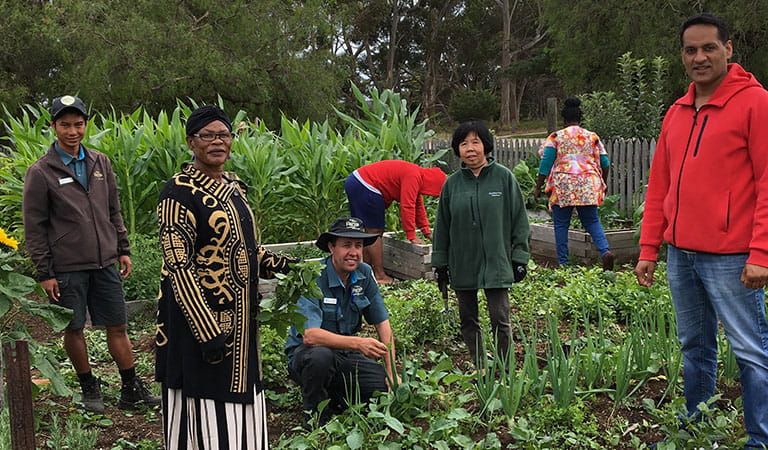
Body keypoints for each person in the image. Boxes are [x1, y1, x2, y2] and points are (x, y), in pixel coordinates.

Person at [634, 13, 768, 448]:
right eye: (690, 50)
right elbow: (661, 185)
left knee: (750, 351)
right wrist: (649, 247)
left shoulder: (756, 103)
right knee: (695, 346)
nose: (699, 57)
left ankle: (760, 438)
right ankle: (698, 429)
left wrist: (762, 253)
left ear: (728, 49)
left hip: (732, 256)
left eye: (709, 47)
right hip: (682, 254)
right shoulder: (676, 111)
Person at [155, 105, 295, 449]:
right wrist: (207, 331)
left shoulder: (235, 189)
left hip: (241, 324)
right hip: (199, 325)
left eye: (224, 135)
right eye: (208, 135)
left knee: (241, 399)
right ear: (191, 142)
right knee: (204, 406)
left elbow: (245, 250)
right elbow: (179, 266)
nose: (218, 142)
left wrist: (281, 264)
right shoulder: (178, 193)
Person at [22, 95, 159, 414]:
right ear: (54, 126)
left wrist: (122, 249)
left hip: (104, 262)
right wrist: (45, 272)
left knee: (118, 325)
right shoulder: (41, 172)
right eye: (65, 124)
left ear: (86, 124)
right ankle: (89, 386)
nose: (73, 131)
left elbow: (114, 209)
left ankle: (130, 387)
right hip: (67, 266)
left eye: (78, 124)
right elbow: (35, 226)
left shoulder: (100, 162)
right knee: (73, 328)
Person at [431, 121, 530, 367]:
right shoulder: (452, 185)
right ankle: (480, 366)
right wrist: (440, 263)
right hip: (463, 261)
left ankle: (505, 367)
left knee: (500, 316)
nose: (470, 149)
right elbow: (441, 226)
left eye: (476, 142)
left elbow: (520, 219)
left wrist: (519, 257)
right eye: (464, 144)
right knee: (468, 318)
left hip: (496, 260)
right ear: (458, 149)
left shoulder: (503, 178)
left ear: (486, 146)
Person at [285, 217, 397, 424]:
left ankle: (334, 397)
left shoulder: (364, 274)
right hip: (307, 357)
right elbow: (310, 336)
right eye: (346, 245)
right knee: (320, 357)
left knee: (381, 387)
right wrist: (358, 343)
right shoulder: (312, 277)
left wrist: (392, 373)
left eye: (358, 245)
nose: (353, 252)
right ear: (331, 247)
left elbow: (383, 324)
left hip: (343, 355)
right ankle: (315, 417)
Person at [533, 97, 615, 270]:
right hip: (588, 182)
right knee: (592, 221)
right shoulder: (592, 137)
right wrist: (603, 184)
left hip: (563, 184)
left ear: (563, 120)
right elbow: (605, 163)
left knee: (561, 223)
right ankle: (605, 252)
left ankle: (563, 263)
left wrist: (538, 187)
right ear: (580, 119)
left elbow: (545, 164)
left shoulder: (556, 137)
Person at [344, 160, 446, 284]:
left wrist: (426, 232)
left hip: (357, 181)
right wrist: (411, 236)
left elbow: (418, 206)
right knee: (373, 232)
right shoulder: (413, 176)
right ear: (433, 184)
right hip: (364, 184)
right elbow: (407, 206)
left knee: (368, 231)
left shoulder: (417, 176)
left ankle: (365, 271)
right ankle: (380, 276)